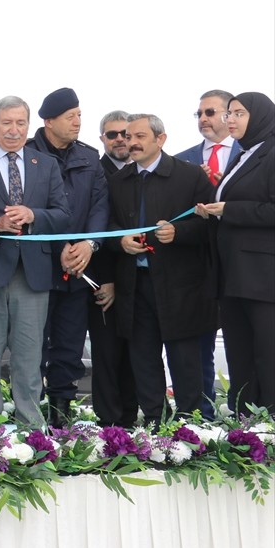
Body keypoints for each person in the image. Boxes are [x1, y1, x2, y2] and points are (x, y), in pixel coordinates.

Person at [0, 95, 70, 426]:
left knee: (29, 357)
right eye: (7, 122)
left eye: (20, 123)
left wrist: (33, 215)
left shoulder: (46, 164)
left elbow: (63, 214)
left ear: (29, 125)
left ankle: (32, 432)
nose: (14, 130)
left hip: (32, 274)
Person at [108, 113, 214, 424]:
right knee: (143, 358)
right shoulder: (118, 181)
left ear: (161, 139)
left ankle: (191, 425)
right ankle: (155, 423)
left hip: (180, 285)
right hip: (135, 283)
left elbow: (210, 226)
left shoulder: (190, 176)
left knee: (185, 358)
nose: (132, 143)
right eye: (129, 137)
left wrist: (179, 232)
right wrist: (120, 241)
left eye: (139, 136)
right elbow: (107, 225)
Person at [26, 88, 109, 426]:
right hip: (38, 270)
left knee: (69, 347)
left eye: (79, 115)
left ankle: (60, 421)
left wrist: (89, 244)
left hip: (78, 269)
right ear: (49, 121)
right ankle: (30, 421)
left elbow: (100, 206)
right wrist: (60, 247)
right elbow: (27, 207)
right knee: (32, 347)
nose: (77, 122)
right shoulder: (26, 155)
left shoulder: (89, 157)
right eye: (70, 116)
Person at [194, 92, 275, 414]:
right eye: (229, 113)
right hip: (233, 273)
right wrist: (213, 207)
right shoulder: (244, 154)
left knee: (266, 353)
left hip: (262, 276)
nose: (231, 120)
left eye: (239, 113)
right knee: (241, 353)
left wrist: (229, 209)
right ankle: (246, 424)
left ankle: (269, 422)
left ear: (260, 116)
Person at [175, 89, 241, 420]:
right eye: (199, 113)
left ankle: (248, 416)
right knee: (197, 343)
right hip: (197, 265)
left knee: (244, 341)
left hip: (243, 263)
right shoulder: (182, 160)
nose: (203, 119)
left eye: (210, 112)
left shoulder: (251, 156)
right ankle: (201, 416)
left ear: (230, 115)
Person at [86, 110, 137, 427]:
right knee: (106, 354)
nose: (120, 139)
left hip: (138, 281)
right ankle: (110, 427)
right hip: (102, 280)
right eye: (112, 134)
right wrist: (105, 279)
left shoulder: (144, 170)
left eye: (125, 134)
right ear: (102, 139)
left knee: (136, 354)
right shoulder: (94, 172)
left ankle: (132, 423)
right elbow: (96, 228)